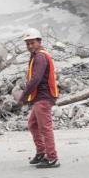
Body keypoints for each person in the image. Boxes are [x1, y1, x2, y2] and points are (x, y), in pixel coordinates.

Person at [15, 28, 60, 168]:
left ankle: (52, 158)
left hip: (43, 97)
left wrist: (23, 97)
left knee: (45, 128)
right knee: (33, 125)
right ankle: (41, 152)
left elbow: (35, 79)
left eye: (32, 43)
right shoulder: (37, 55)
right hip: (39, 98)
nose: (29, 46)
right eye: (27, 43)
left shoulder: (40, 56)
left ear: (39, 42)